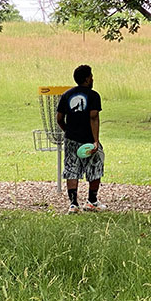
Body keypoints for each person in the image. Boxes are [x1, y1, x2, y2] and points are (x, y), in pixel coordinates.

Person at [56, 64, 104, 213]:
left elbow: (59, 118)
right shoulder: (93, 96)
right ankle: (91, 201)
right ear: (87, 79)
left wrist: (68, 131)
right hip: (88, 139)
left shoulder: (66, 95)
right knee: (95, 167)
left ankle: (73, 204)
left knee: (71, 168)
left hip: (71, 139)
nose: (92, 79)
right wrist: (95, 141)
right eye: (91, 76)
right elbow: (93, 117)